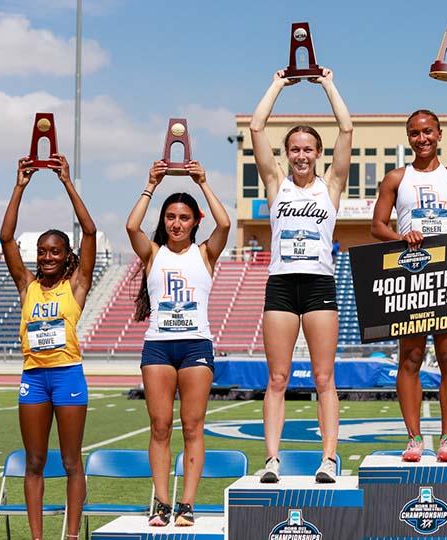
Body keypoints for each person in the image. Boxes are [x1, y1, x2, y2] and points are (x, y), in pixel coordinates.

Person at [371, 58, 447, 462]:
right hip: (412, 269)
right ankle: (413, 438)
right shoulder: (396, 178)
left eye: (427, 132)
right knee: (411, 356)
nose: (422, 138)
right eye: (415, 133)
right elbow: (376, 227)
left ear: (439, 135)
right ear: (409, 139)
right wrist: (402, 237)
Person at [249, 67, 352, 483]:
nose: (302, 155)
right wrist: (278, 83)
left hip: (318, 284)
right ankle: (271, 460)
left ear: (319, 153)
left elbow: (346, 127)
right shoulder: (276, 185)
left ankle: (328, 459)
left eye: (309, 148)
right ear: (286, 153)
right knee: (277, 377)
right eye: (295, 148)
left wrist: (327, 82)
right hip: (281, 284)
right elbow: (257, 126)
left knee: (324, 377)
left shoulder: (330, 186)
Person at [126, 158, 230, 526]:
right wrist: (150, 184)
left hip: (196, 346)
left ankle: (187, 504)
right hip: (158, 347)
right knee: (159, 425)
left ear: (195, 221)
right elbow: (131, 225)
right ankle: (161, 503)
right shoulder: (153, 253)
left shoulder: (206, 253)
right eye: (171, 217)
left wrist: (203, 182)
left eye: (184, 218)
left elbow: (226, 223)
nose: (176, 223)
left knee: (192, 427)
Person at [0, 154, 96, 540]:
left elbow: (90, 232)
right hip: (34, 379)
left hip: (68, 375)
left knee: (72, 461)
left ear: (66, 254)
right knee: (35, 462)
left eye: (55, 251)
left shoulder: (78, 285)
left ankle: (70, 535)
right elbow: (6, 237)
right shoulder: (27, 284)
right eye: (42, 251)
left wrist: (67, 183)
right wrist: (20, 185)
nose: (47, 257)